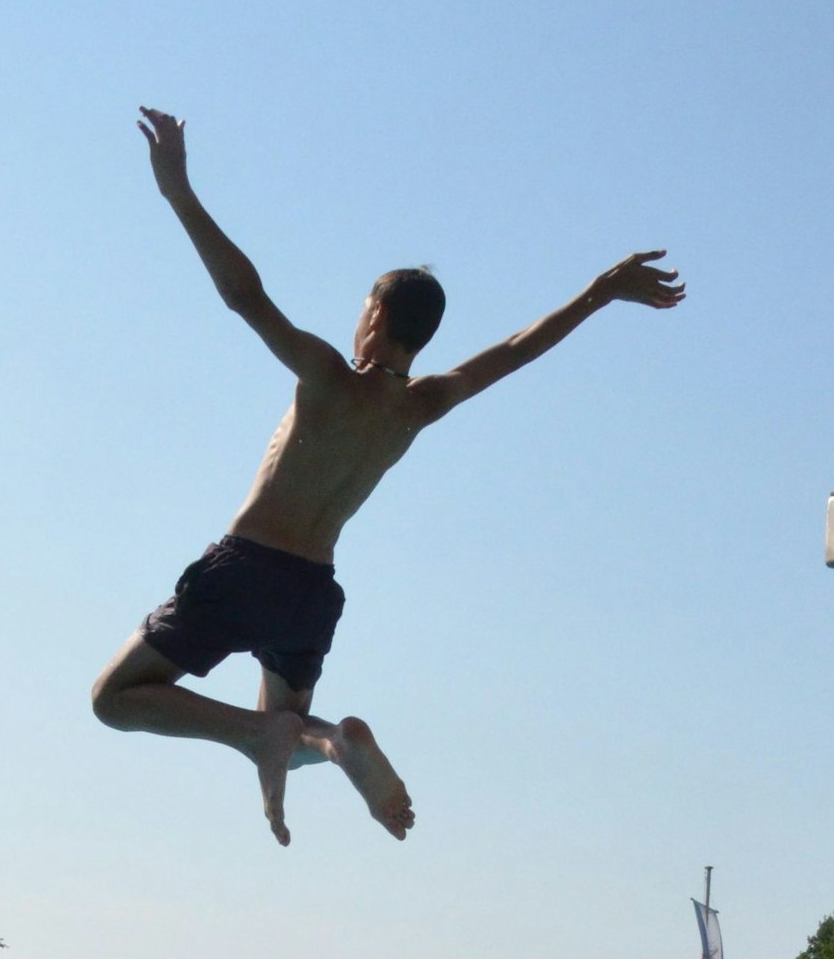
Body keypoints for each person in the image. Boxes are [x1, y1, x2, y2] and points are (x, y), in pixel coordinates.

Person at [91, 107, 685, 846]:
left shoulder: (327, 377)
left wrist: (178, 190)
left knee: (115, 699)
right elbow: (515, 349)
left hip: (244, 569)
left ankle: (256, 738)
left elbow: (244, 295)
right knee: (296, 728)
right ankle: (327, 744)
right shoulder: (423, 404)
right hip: (312, 596)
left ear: (372, 315)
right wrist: (599, 291)